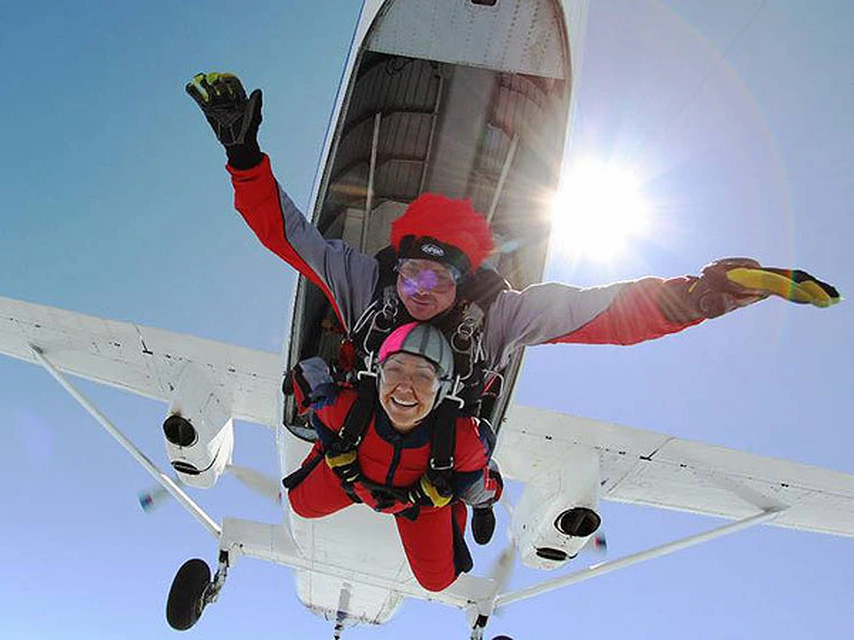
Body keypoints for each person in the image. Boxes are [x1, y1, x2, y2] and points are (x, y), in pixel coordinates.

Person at [185, 71, 840, 546]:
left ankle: (467, 502)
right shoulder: (366, 282)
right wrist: (243, 155)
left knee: (440, 558)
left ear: (466, 282)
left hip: (438, 455)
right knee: (310, 503)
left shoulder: (500, 317)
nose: (419, 290)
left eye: (438, 278)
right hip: (368, 423)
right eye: (410, 271)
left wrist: (703, 295)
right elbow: (289, 237)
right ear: (395, 264)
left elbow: (607, 312)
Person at [283, 322, 502, 592]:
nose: (404, 388)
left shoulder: (462, 442)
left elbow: (479, 486)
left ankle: (450, 506)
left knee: (437, 581)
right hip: (354, 480)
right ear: (378, 375)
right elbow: (314, 387)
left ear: (443, 389)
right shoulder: (346, 410)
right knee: (299, 504)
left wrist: (467, 499)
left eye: (423, 377)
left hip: (420, 504)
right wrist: (332, 447)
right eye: (394, 370)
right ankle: (330, 456)